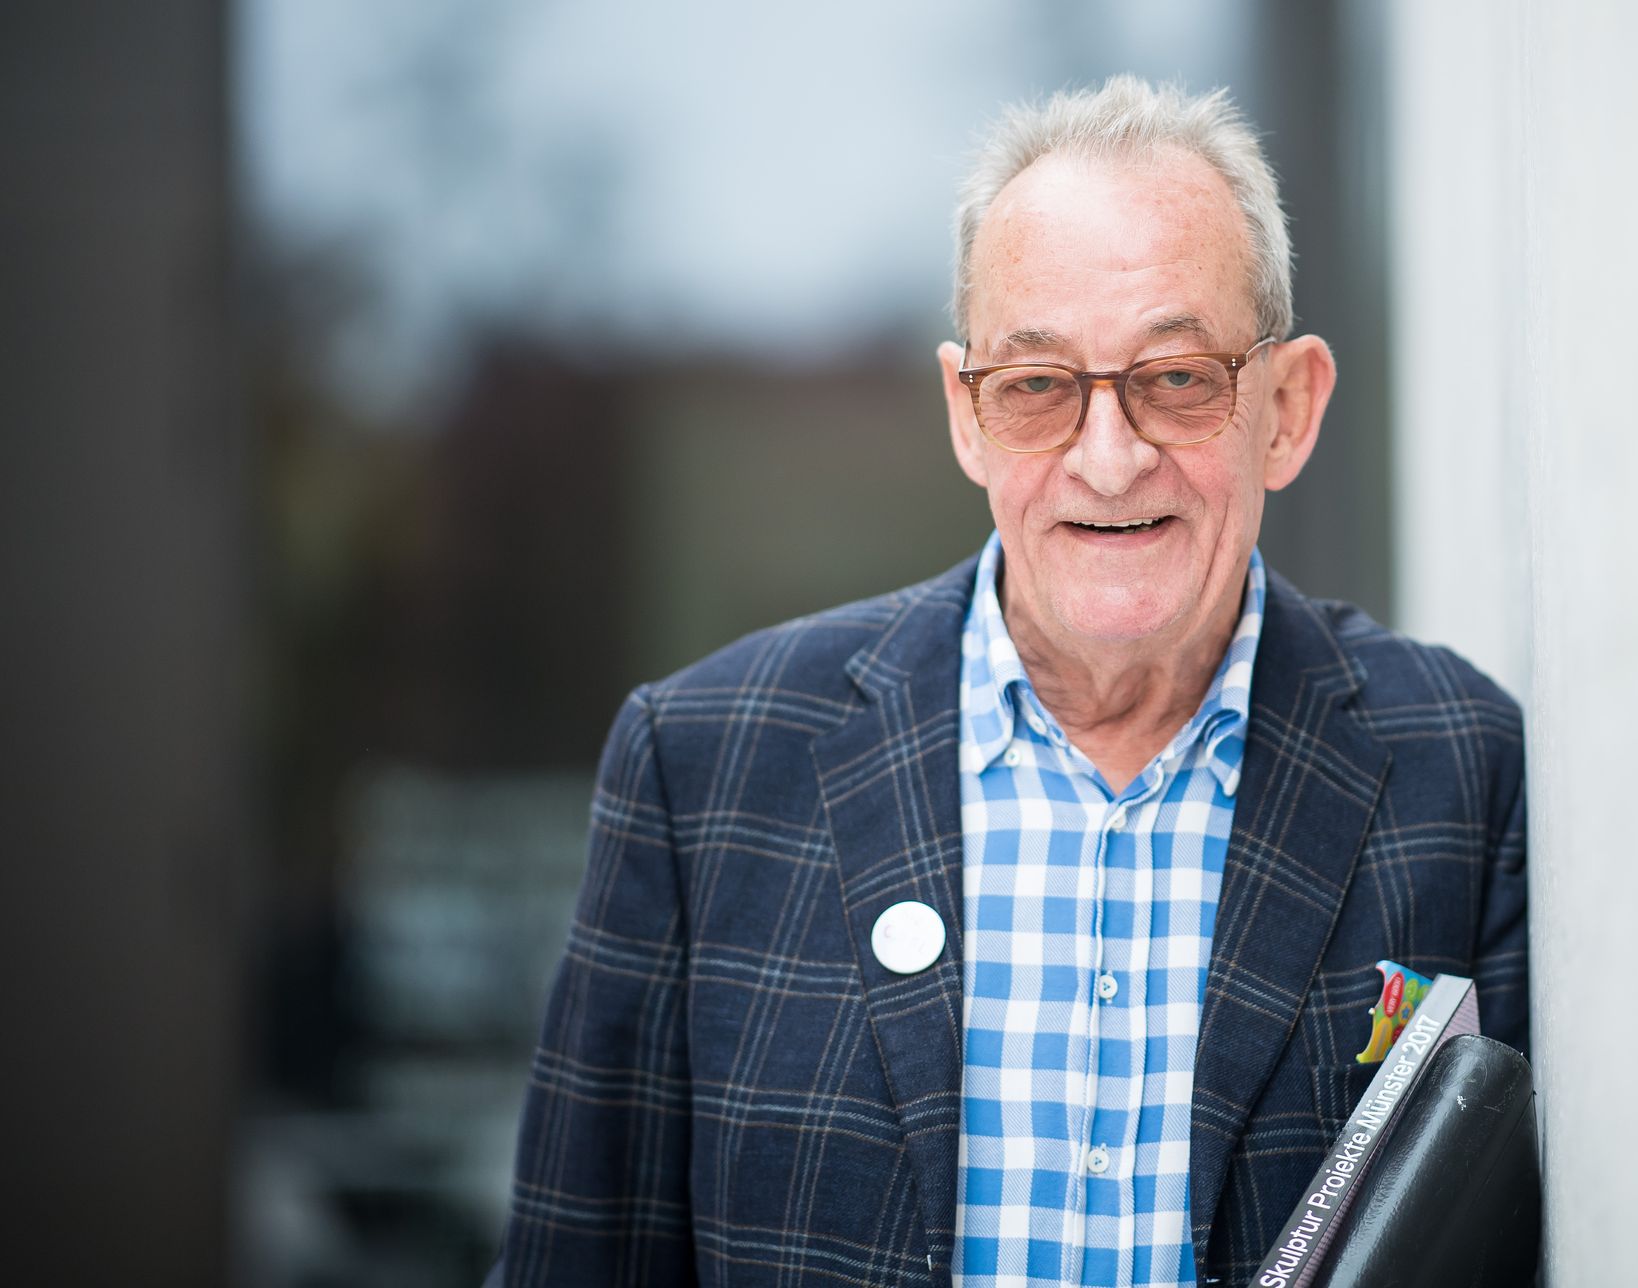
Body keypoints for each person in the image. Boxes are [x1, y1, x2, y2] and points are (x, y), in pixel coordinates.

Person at [489, 76, 1527, 1288]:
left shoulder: (1459, 767)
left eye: (1178, 376)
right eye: (1036, 386)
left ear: (1286, 410)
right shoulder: (705, 767)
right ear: (967, 416)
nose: (1108, 455)